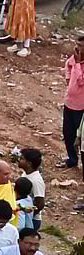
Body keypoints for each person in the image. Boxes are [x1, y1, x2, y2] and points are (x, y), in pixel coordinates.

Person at [62, 35, 84, 175]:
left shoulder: (76, 62)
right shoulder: (72, 60)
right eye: (77, 44)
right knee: (68, 133)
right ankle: (72, 159)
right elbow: (68, 76)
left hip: (82, 107)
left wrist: (77, 64)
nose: (77, 48)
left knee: (81, 138)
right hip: (69, 103)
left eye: (81, 46)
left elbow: (80, 81)